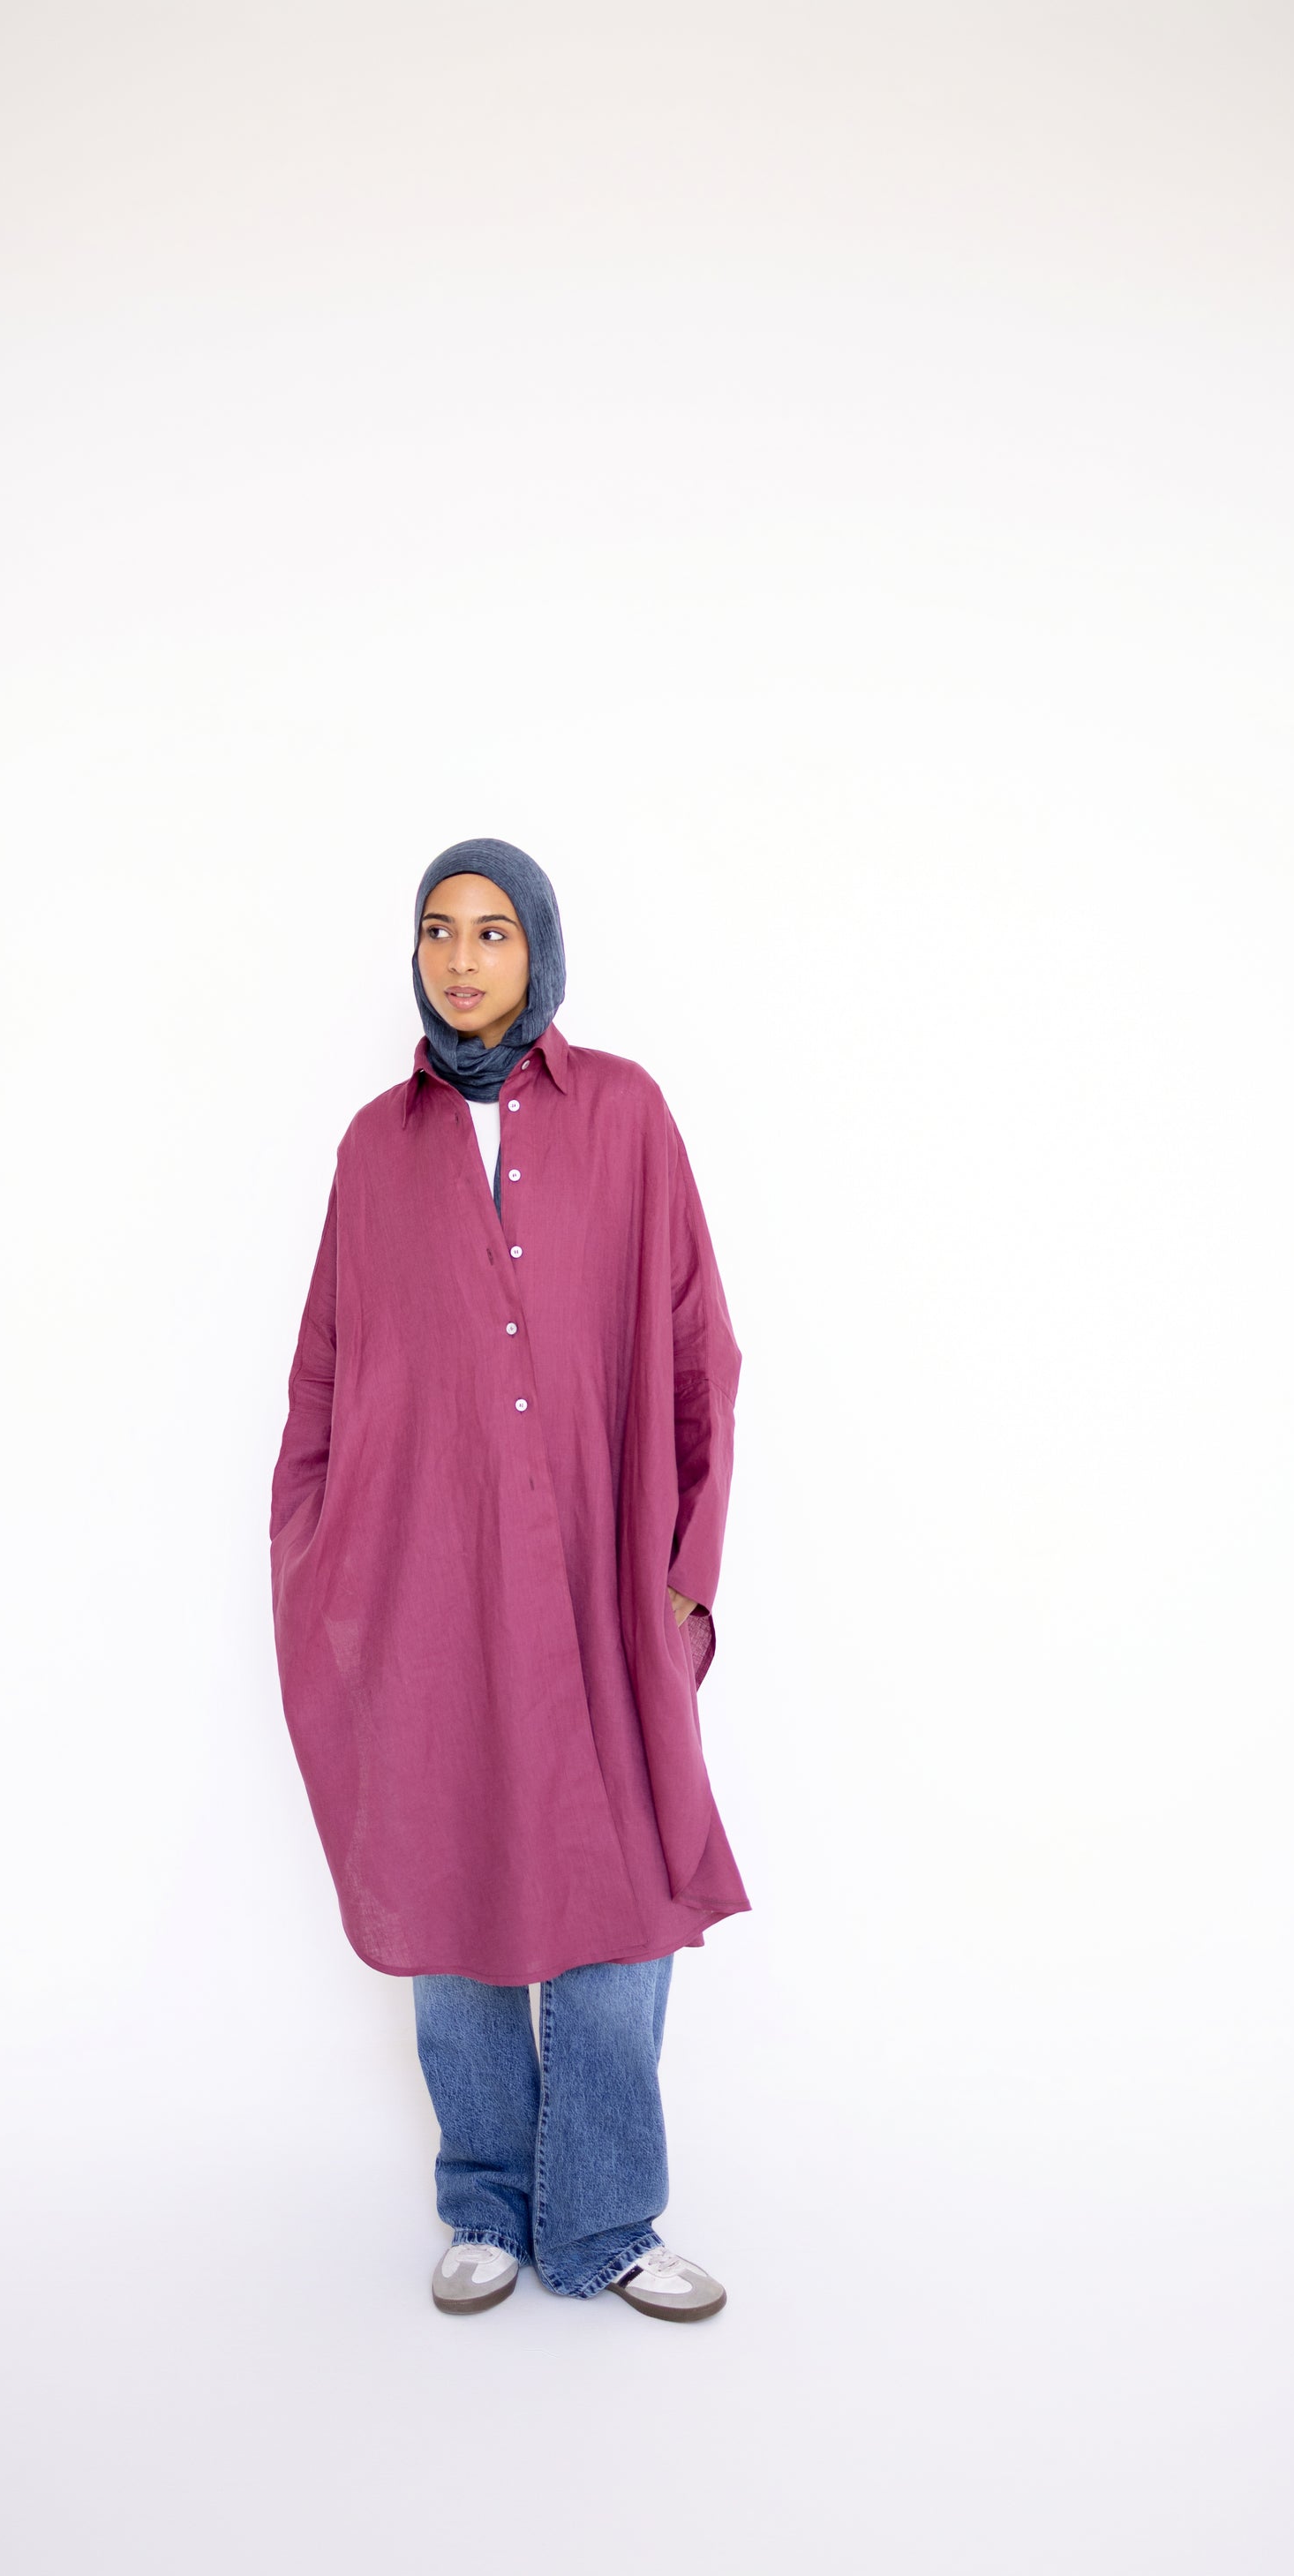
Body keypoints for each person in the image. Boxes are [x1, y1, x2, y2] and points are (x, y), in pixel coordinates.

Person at [269, 837, 749, 2322]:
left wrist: (686, 1574)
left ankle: (602, 2219)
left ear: (538, 946)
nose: (461, 958)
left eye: (490, 930)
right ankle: (484, 2197)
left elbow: (698, 1349)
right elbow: (326, 1371)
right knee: (451, 1863)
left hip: (605, 1580)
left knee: (623, 1889)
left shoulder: (625, 1114)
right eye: (437, 930)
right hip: (430, 1585)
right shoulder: (375, 1148)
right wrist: (318, 1561)